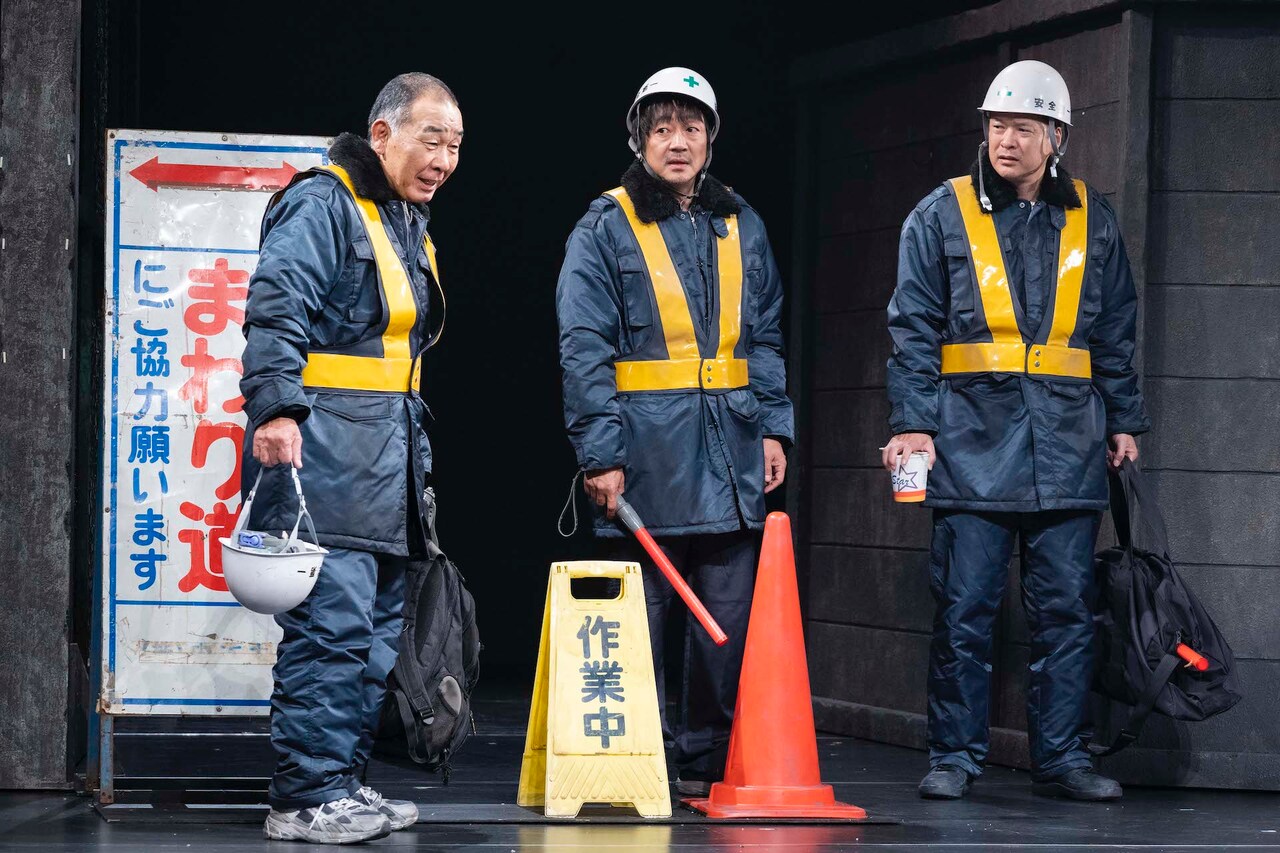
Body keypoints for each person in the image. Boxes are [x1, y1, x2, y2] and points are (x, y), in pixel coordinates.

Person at [883, 60, 1151, 802]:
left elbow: (1117, 330)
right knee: (965, 607)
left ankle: (1061, 757)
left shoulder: (1094, 218)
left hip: (1067, 446)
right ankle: (957, 754)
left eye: (1023, 127)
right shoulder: (941, 214)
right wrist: (911, 426)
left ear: (1055, 135)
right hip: (970, 442)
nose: (1006, 138)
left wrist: (1124, 417)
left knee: (1067, 612)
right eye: (997, 124)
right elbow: (911, 330)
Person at [555, 67, 794, 795]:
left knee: (724, 619)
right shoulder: (605, 225)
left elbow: (767, 335)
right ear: (639, 138)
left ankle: (708, 755)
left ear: (711, 138)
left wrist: (775, 429)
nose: (678, 141)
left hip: (731, 453)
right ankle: (645, 756)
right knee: (643, 627)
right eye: (662, 128)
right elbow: (583, 346)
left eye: (691, 127)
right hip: (646, 461)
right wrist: (600, 455)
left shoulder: (741, 221)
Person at [239, 72, 462, 843]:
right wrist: (274, 407)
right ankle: (301, 797)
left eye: (456, 144)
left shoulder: (403, 219)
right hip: (326, 453)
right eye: (431, 137)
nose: (444, 157)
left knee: (374, 636)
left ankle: (340, 784)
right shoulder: (323, 202)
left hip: (386, 459)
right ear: (381, 134)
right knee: (330, 631)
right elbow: (276, 304)